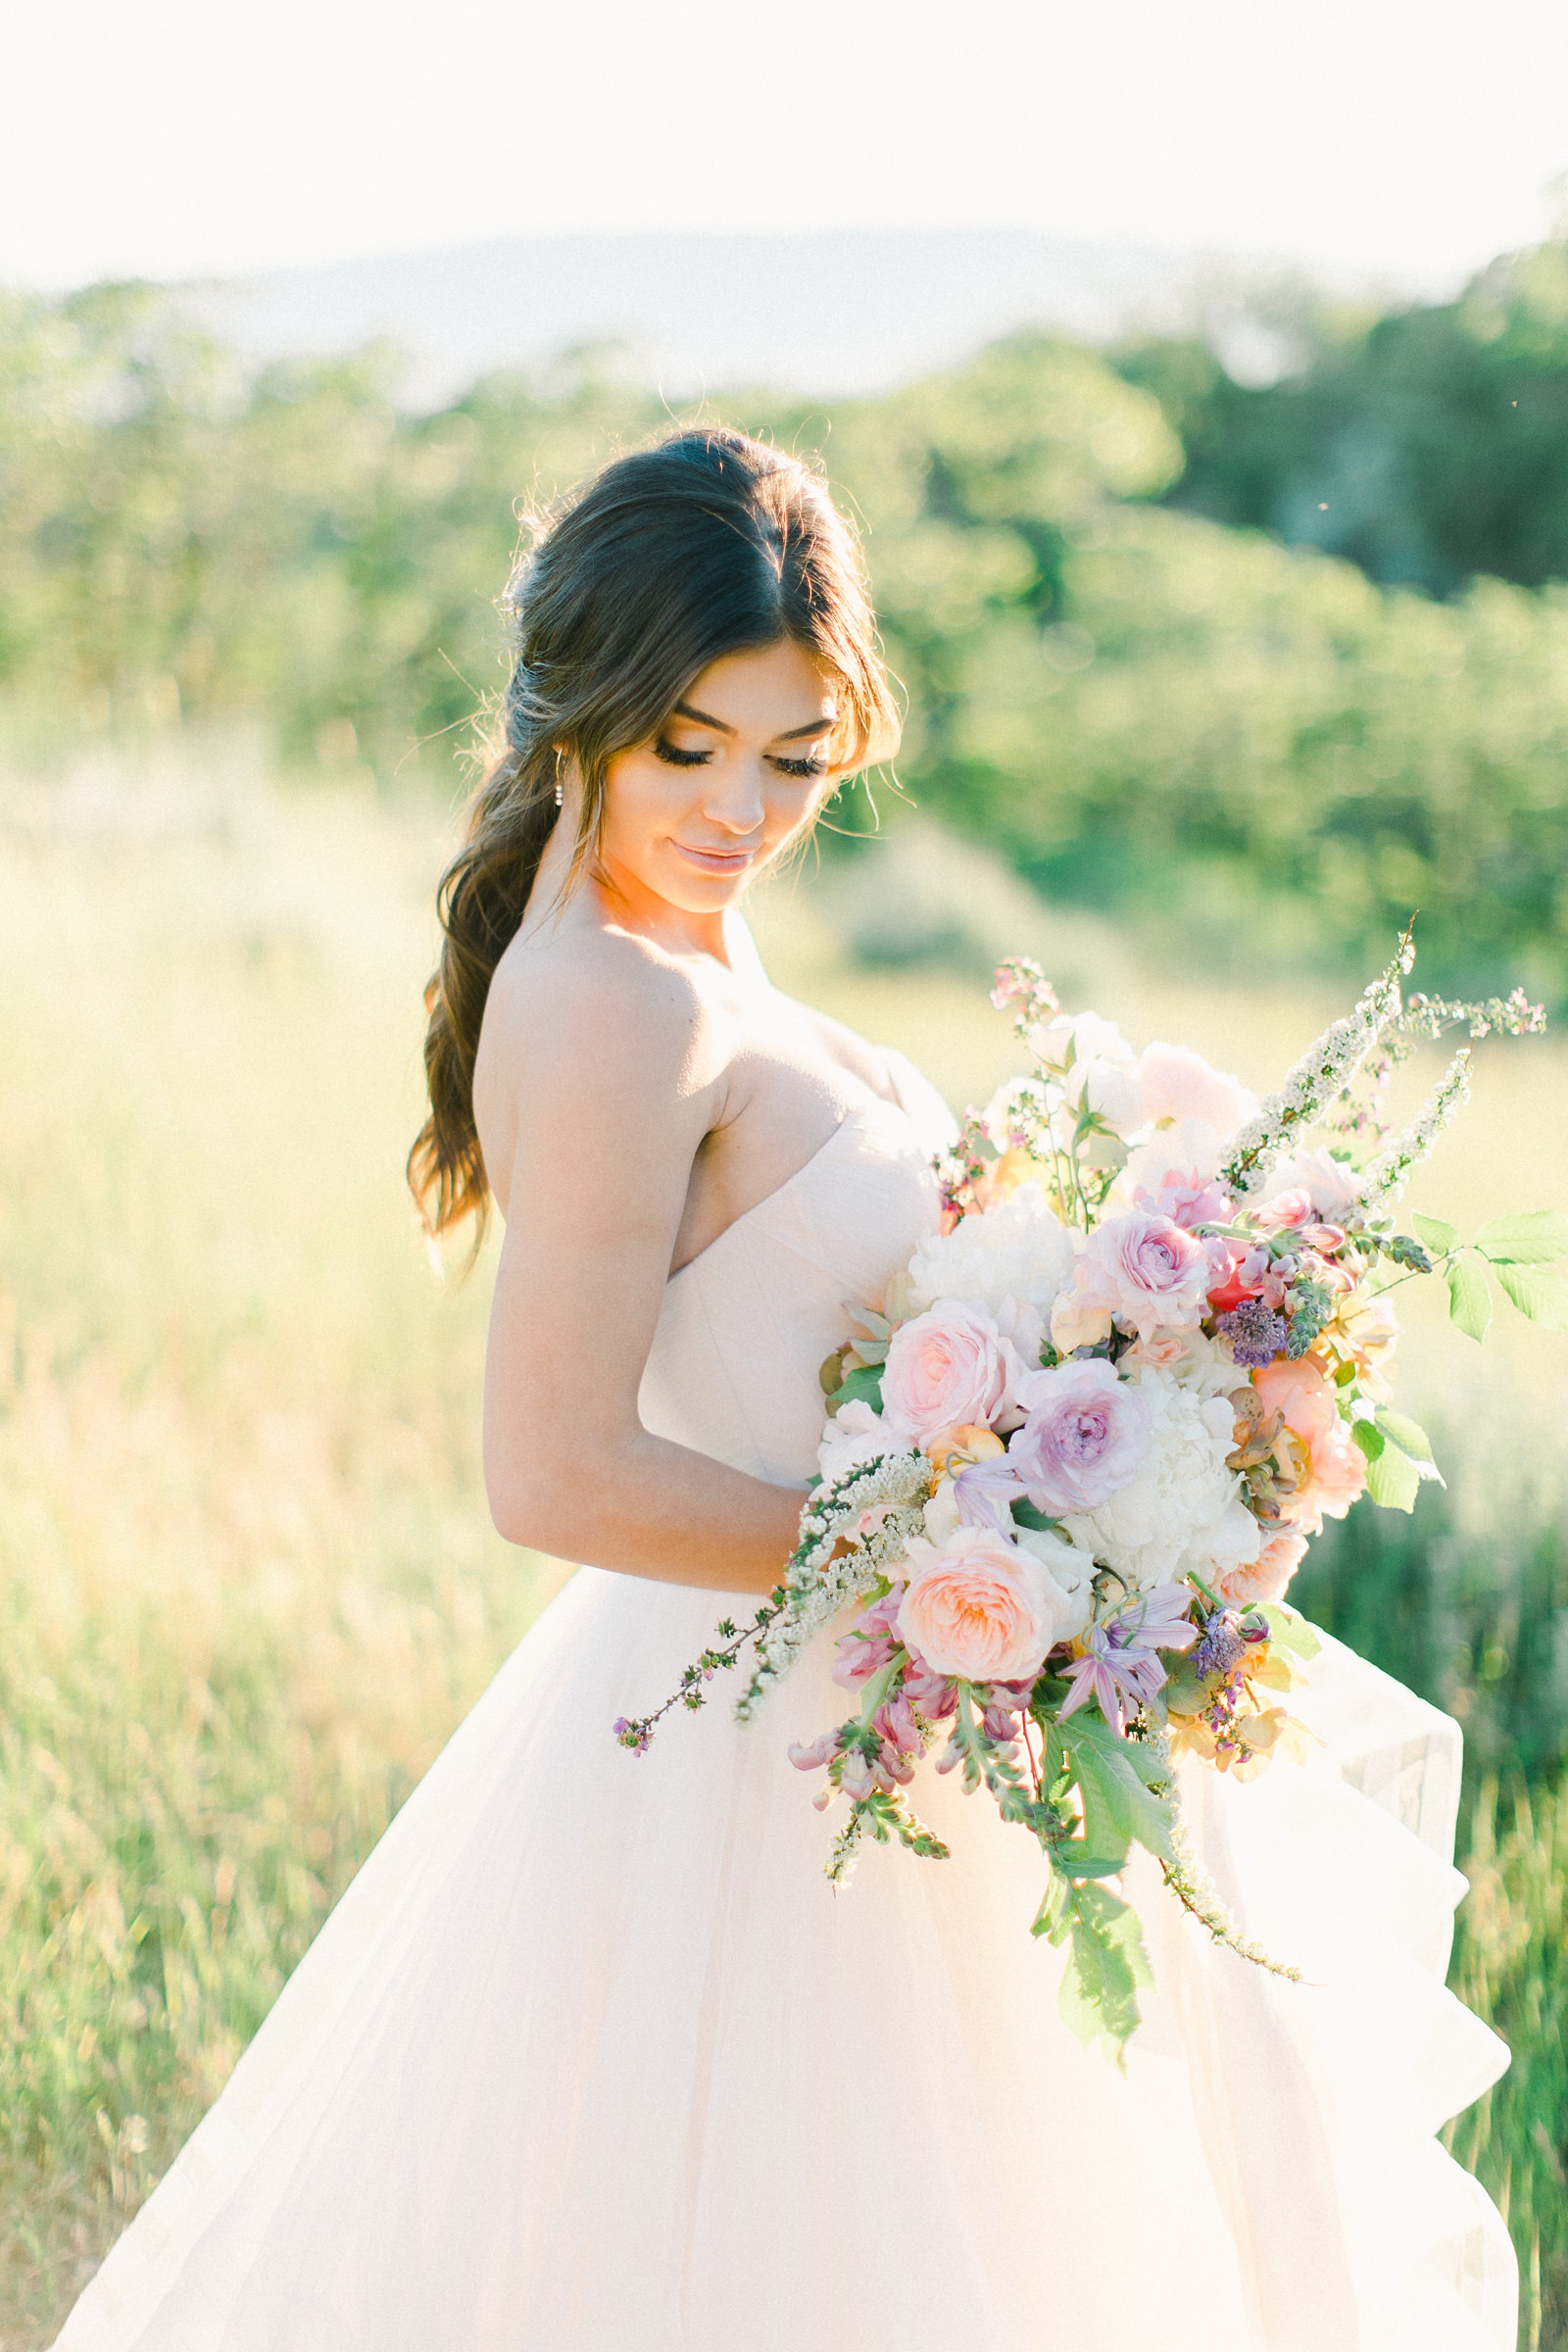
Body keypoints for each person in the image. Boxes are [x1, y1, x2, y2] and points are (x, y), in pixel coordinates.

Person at [57, 428, 1516, 2352]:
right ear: (580, 700)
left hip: (876, 1708)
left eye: (791, 756)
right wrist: (963, 1582)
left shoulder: (689, 944)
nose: (742, 805)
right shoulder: (610, 1003)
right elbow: (552, 1471)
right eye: (692, 747)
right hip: (776, 1748)